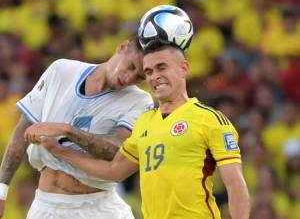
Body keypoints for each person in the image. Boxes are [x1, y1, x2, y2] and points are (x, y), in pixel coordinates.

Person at [36, 41, 251, 219]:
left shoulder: (209, 120)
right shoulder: (144, 122)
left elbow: (235, 183)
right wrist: (58, 150)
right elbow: (113, 171)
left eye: (161, 67)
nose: (154, 76)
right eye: (148, 72)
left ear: (183, 68)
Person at [0, 37, 153, 219]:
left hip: (98, 209)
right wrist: (2, 190)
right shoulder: (61, 70)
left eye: (139, 77)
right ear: (122, 48)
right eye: (131, 66)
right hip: (45, 207)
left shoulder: (140, 101)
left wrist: (67, 130)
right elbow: (21, 133)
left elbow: (119, 150)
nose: (129, 78)